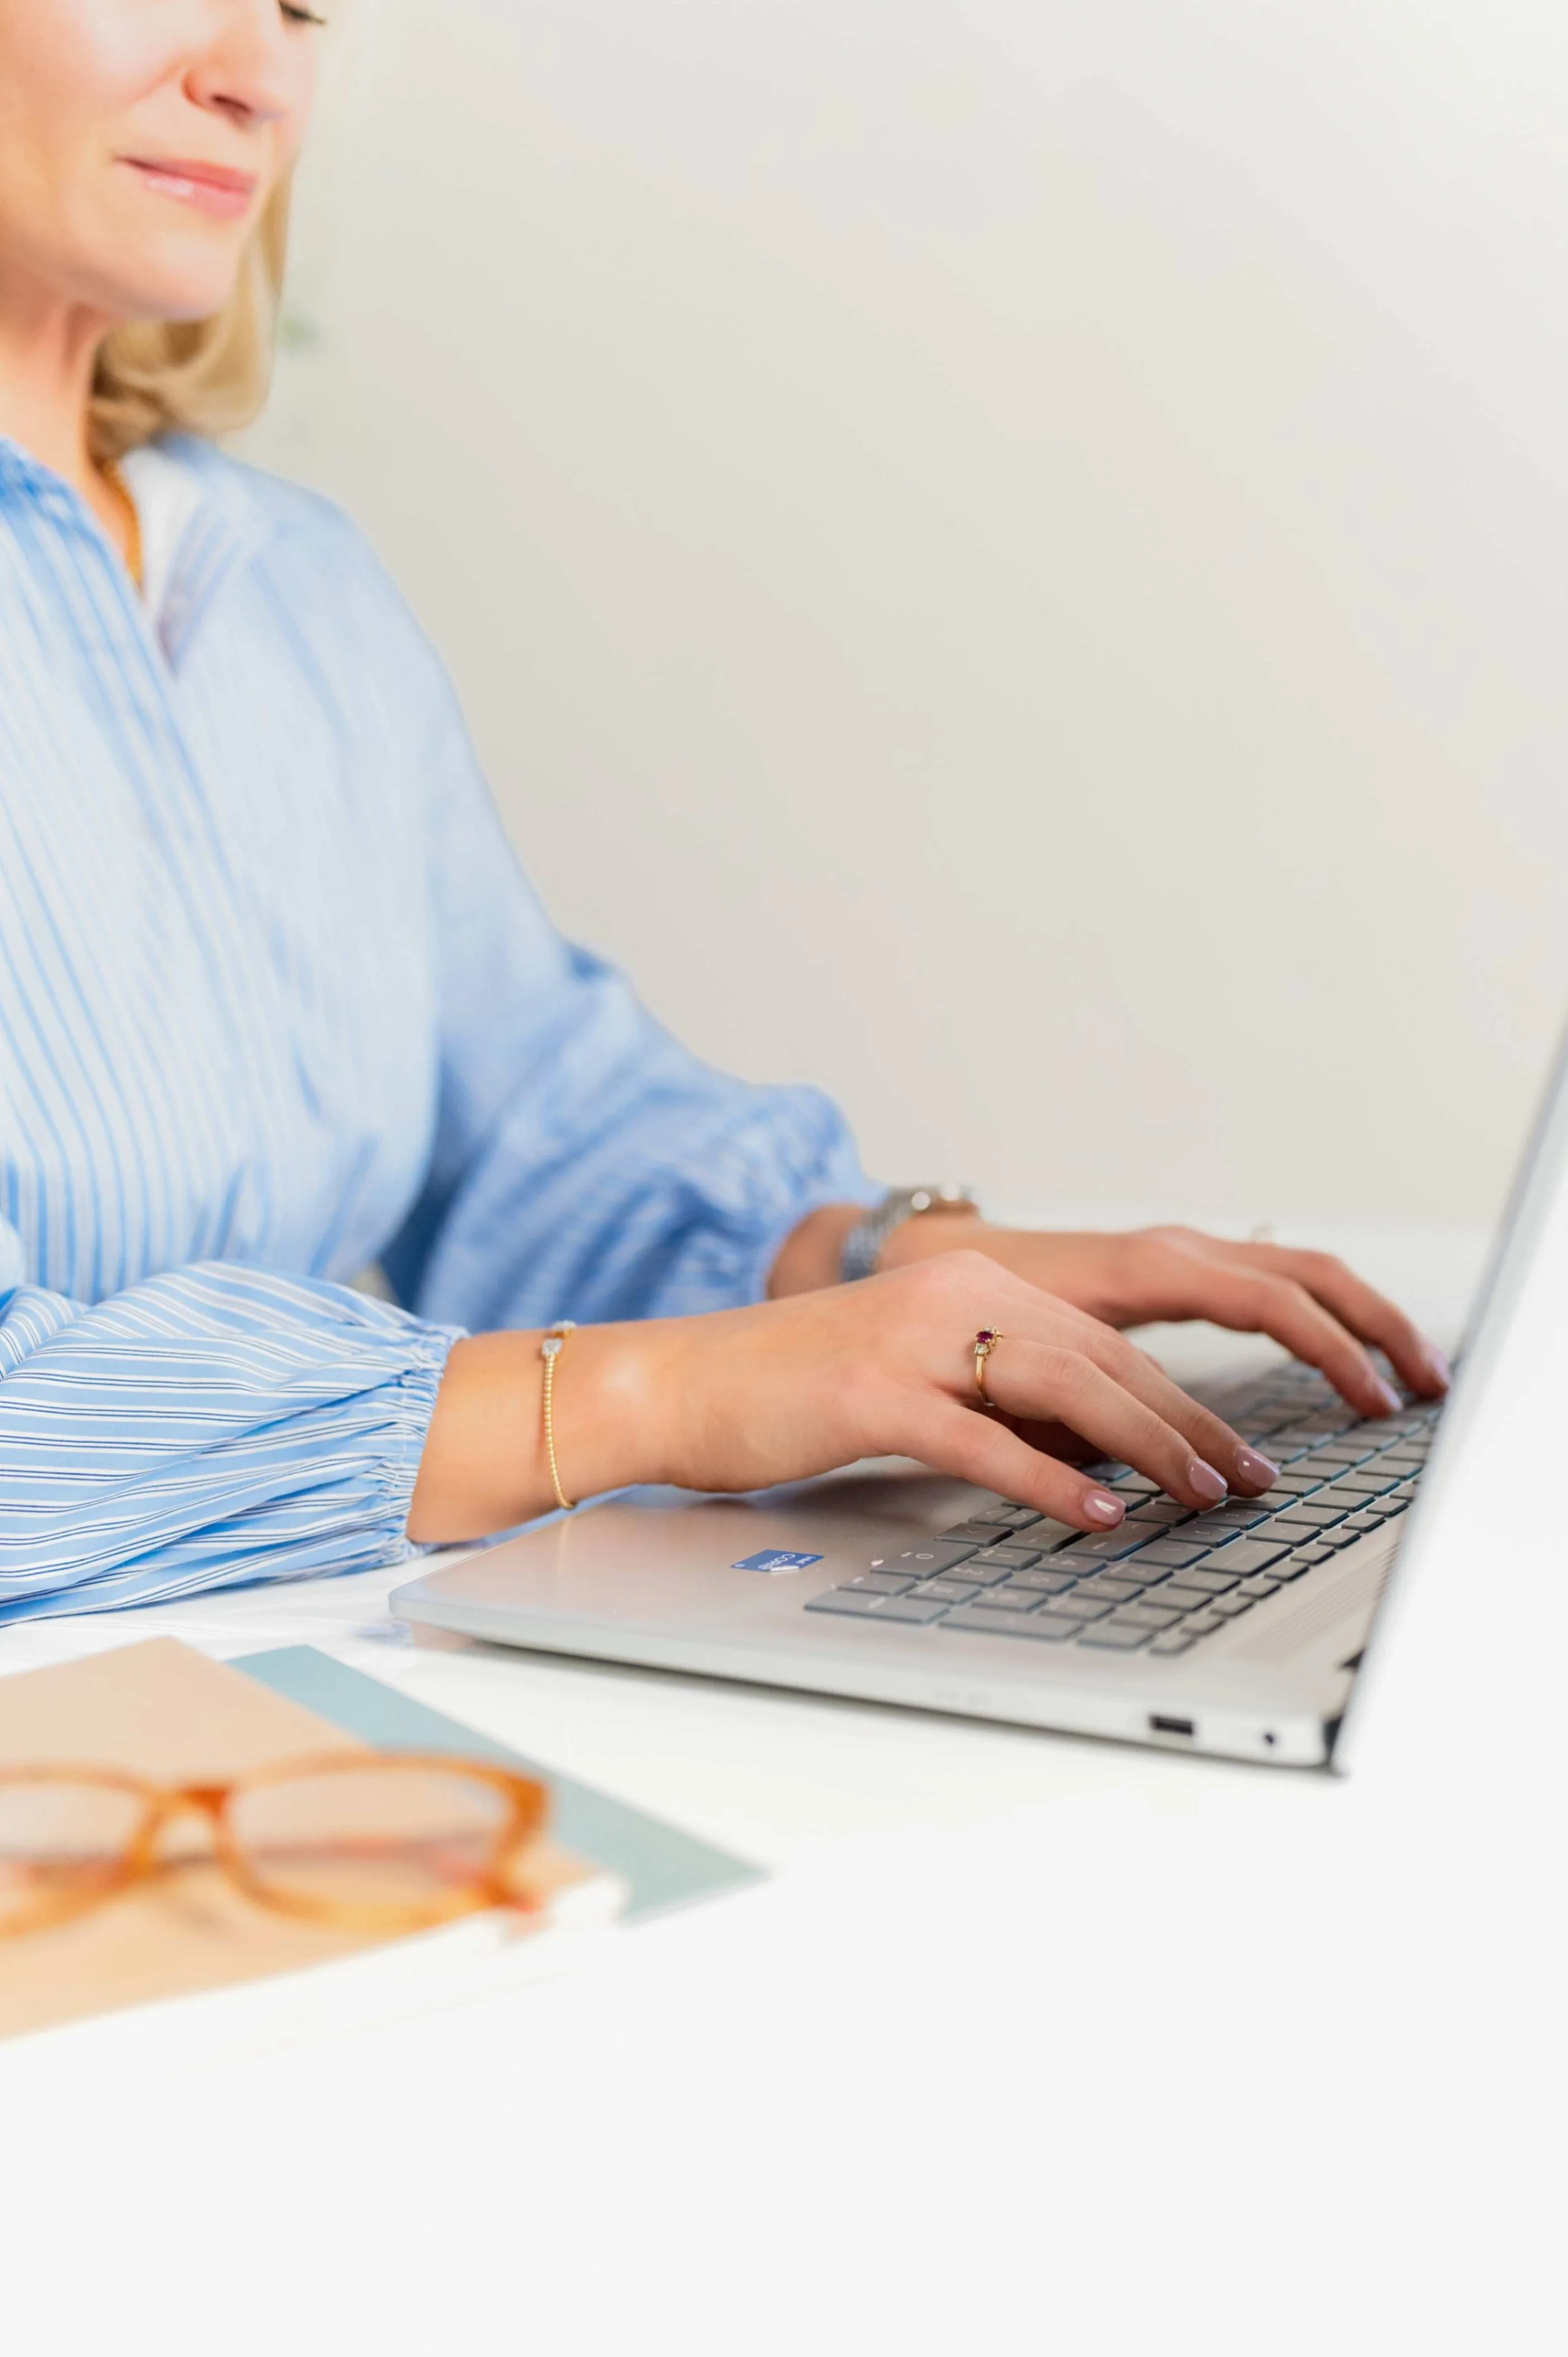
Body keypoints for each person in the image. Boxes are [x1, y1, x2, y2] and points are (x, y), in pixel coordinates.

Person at [0, 0, 1449, 1624]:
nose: (253, 77)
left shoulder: (292, 587)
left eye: (296, 7)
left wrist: (881, 1272)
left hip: (255, 1680)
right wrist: (649, 1396)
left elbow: (530, 1127)